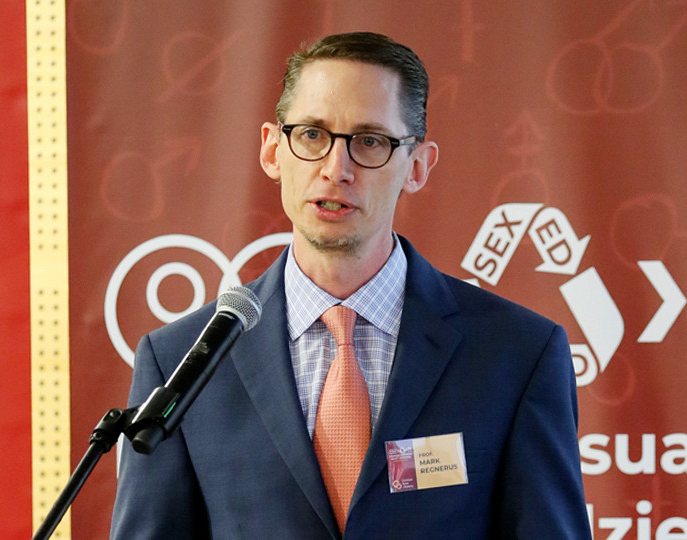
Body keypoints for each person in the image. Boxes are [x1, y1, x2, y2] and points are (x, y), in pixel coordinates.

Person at [110, 31, 591, 539]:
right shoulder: (180, 361)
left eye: (370, 142)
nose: (336, 169)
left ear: (418, 166)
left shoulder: (516, 353)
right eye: (311, 134)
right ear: (273, 150)